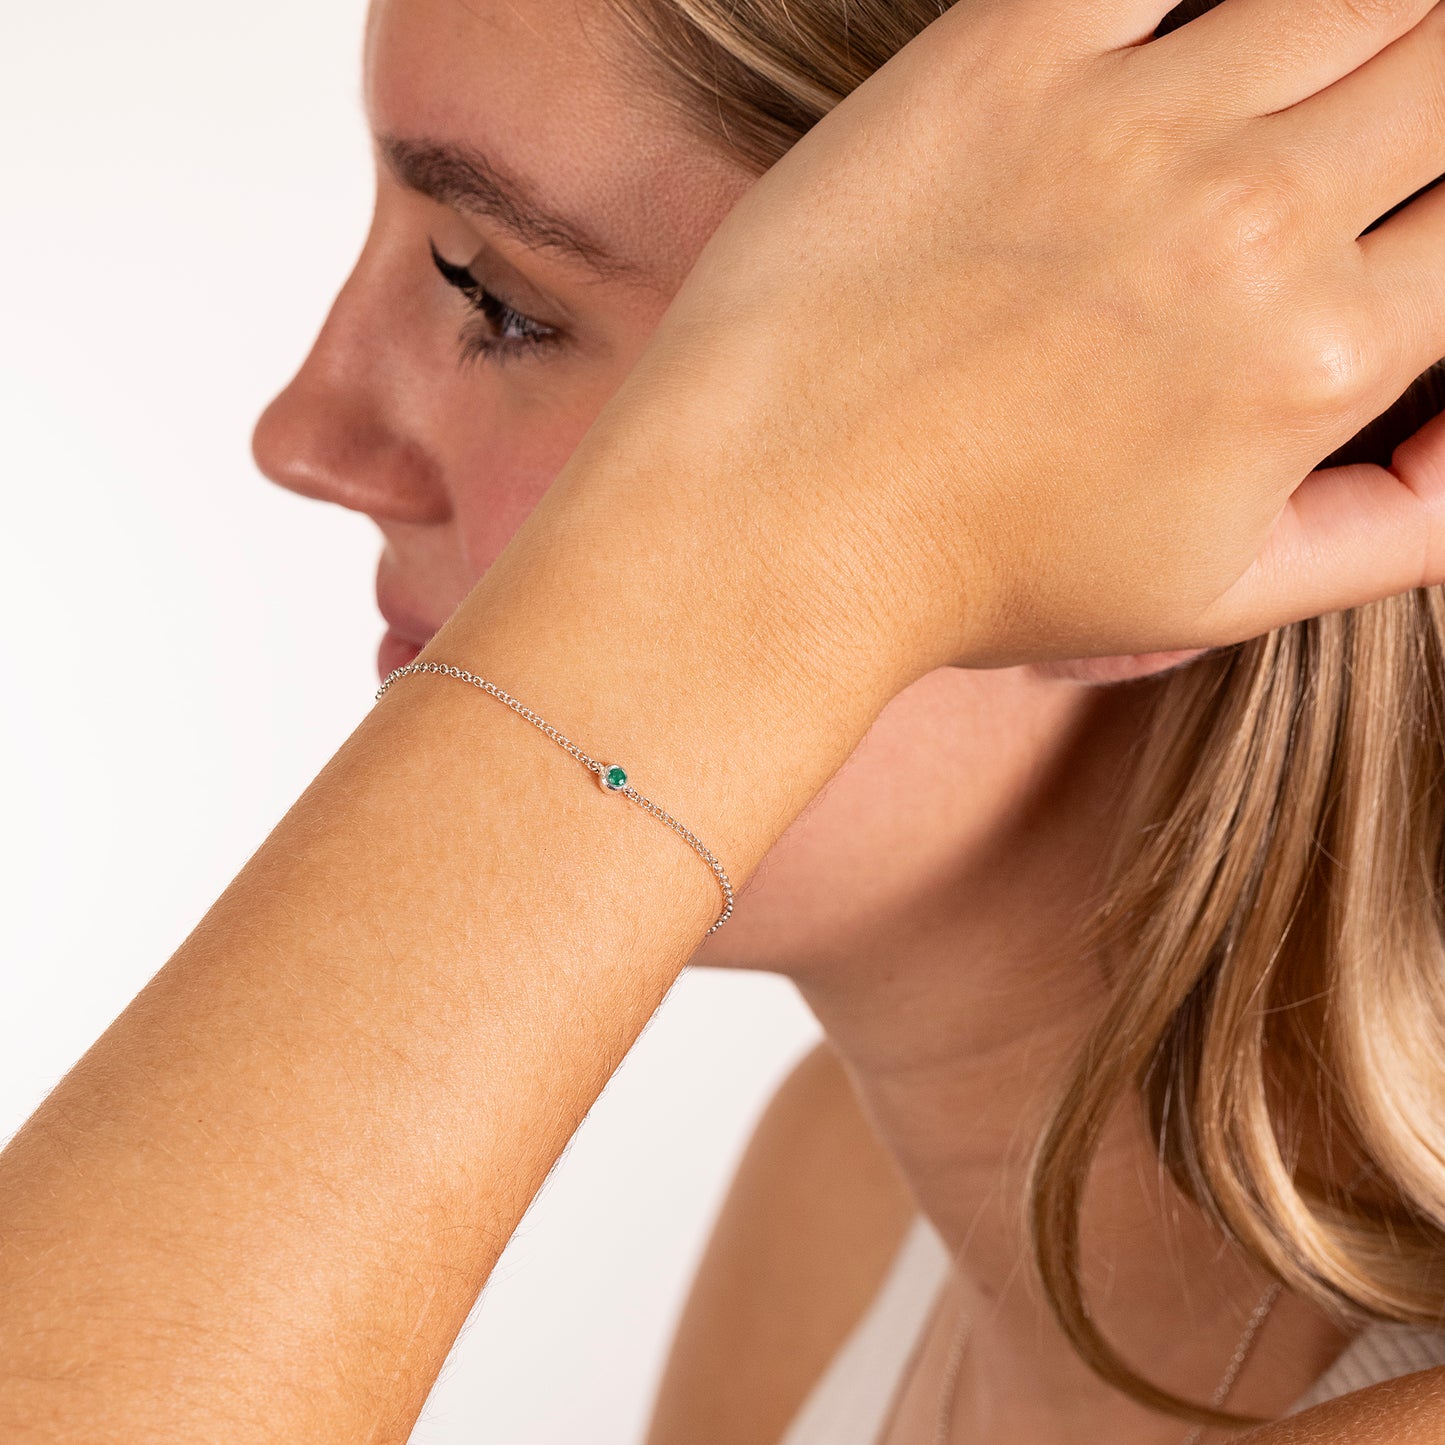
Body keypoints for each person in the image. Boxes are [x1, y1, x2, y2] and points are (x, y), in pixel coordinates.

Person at [3, 0, 1445, 1439]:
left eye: (495, 300)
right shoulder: (843, 1206)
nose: (307, 437)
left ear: (1222, 443)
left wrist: (764, 577)